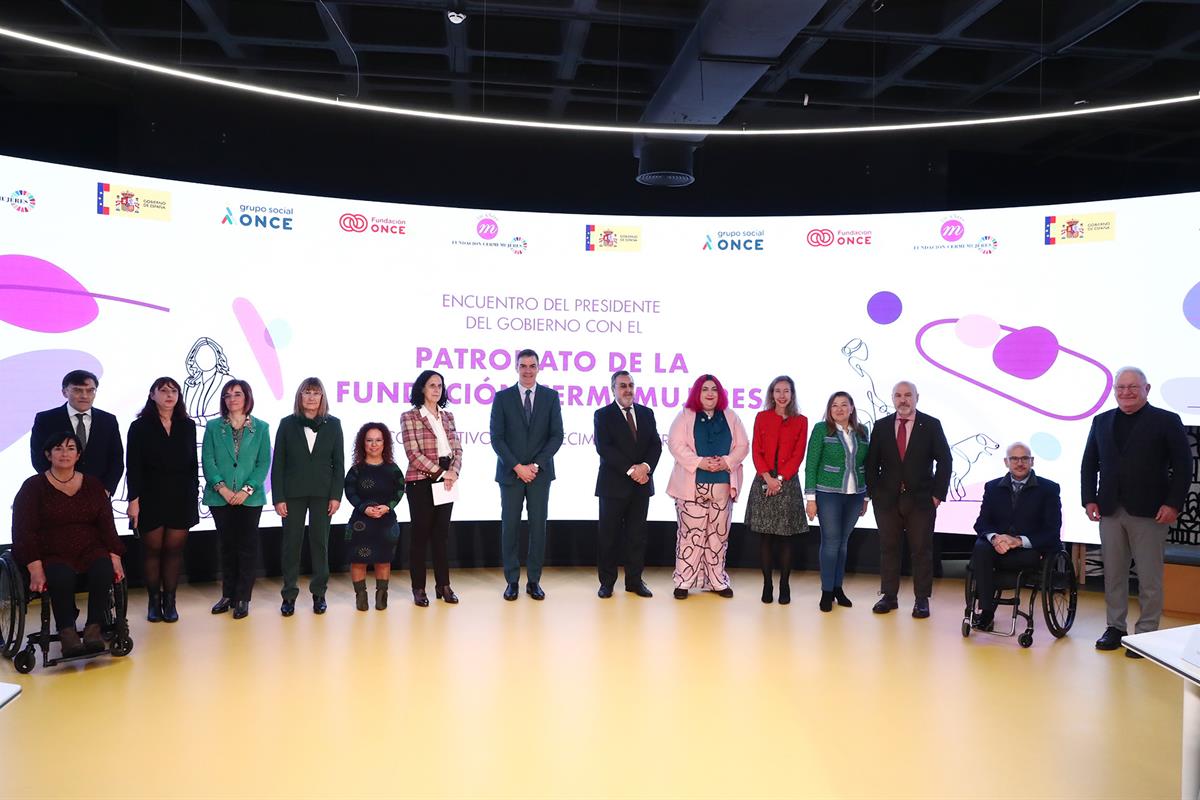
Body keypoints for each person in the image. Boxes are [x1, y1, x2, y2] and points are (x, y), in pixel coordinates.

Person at [1081, 366, 1190, 655]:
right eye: (1120, 388)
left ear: (1147, 389)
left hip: (1151, 511)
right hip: (1109, 509)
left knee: (1149, 577)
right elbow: (1089, 463)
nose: (1126, 392)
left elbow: (1183, 466)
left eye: (1132, 387)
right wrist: (1088, 499)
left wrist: (1174, 503)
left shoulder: (1167, 420)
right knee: (1113, 575)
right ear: (1114, 390)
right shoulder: (1101, 421)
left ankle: (1146, 636)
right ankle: (1115, 628)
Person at [12, 432, 126, 656]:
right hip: (51, 549)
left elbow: (106, 523)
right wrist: (34, 567)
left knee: (103, 568)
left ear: (78, 454)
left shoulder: (92, 485)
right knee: (60, 575)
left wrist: (116, 555)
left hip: (89, 547)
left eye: (70, 448)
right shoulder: (34, 487)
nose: (65, 453)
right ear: (48, 454)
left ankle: (94, 628)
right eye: (58, 448)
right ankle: (67, 632)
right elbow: (23, 530)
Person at [864, 380, 951, 618]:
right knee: (888, 548)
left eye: (908, 395)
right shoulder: (881, 426)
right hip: (887, 500)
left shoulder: (931, 425)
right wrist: (873, 493)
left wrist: (937, 495)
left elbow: (945, 460)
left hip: (922, 500)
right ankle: (889, 596)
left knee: (921, 550)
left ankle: (921, 599)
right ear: (892, 398)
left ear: (916, 397)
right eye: (898, 395)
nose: (903, 400)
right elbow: (871, 464)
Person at [667, 374, 750, 599]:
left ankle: (716, 581)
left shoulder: (731, 416)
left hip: (722, 485)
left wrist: (727, 461)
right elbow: (675, 443)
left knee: (718, 535)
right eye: (705, 389)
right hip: (691, 486)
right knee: (690, 534)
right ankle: (684, 582)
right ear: (697, 393)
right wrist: (700, 462)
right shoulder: (685, 415)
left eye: (714, 389)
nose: (710, 393)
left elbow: (743, 445)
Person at [489, 349, 564, 601]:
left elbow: (557, 435)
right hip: (511, 475)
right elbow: (497, 438)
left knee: (538, 529)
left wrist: (535, 466)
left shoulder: (551, 397)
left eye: (532, 366)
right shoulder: (502, 398)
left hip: (539, 475)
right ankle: (512, 581)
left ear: (538, 368)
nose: (528, 370)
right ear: (516, 368)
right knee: (509, 528)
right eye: (523, 366)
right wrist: (518, 467)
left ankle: (534, 581)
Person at [126, 376, 199, 623]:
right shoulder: (139, 426)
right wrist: (133, 499)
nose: (170, 395)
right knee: (152, 551)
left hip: (181, 495)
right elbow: (132, 466)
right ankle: (153, 601)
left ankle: (170, 601)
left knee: (174, 551)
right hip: (150, 495)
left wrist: (194, 492)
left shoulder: (187, 425)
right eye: (164, 390)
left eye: (174, 391)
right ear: (152, 395)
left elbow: (192, 464)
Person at [969, 442, 1062, 631]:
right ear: (1006, 462)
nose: (1019, 463)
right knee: (981, 547)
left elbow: (1052, 531)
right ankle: (986, 612)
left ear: (1032, 461)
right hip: (997, 549)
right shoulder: (993, 487)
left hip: (1028, 551)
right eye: (1014, 459)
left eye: (1024, 458)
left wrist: (1018, 541)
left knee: (981, 561)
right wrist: (996, 539)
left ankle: (986, 604)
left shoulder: (1049, 489)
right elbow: (981, 523)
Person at [272, 378, 344, 616]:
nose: (311, 397)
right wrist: (278, 497)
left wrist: (336, 495)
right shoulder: (286, 424)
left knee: (320, 544)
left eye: (316, 393)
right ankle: (289, 595)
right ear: (299, 396)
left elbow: (339, 464)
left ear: (322, 397)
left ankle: (319, 593)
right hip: (292, 494)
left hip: (323, 494)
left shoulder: (334, 425)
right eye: (307, 392)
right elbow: (278, 463)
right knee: (291, 545)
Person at [202, 379, 271, 620]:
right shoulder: (213, 427)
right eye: (228, 395)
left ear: (247, 397)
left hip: (250, 499)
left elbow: (264, 463)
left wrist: (246, 490)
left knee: (247, 547)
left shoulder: (261, 428)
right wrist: (222, 488)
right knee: (227, 546)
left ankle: (243, 597)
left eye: (237, 394)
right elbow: (208, 461)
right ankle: (228, 594)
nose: (232, 399)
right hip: (219, 497)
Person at [593, 370, 662, 598]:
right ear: (613, 389)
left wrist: (646, 468)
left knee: (637, 536)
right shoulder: (602, 415)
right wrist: (633, 470)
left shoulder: (646, 413)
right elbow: (604, 448)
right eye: (622, 385)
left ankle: (634, 581)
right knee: (608, 537)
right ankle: (607, 583)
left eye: (631, 385)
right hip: (613, 486)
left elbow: (655, 446)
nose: (628, 390)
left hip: (641, 485)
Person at [400, 371, 463, 606]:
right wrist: (441, 473)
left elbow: (457, 450)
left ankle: (443, 585)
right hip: (421, 480)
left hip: (447, 478)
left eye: (440, 385)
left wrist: (454, 471)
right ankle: (419, 588)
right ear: (422, 389)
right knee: (420, 536)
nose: (436, 389)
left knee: (441, 536)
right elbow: (412, 454)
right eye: (431, 385)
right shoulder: (410, 416)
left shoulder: (448, 417)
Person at [744, 375, 809, 605]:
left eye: (786, 391)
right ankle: (767, 584)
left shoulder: (801, 420)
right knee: (766, 538)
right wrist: (768, 478)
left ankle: (784, 584)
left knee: (786, 538)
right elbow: (756, 450)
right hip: (763, 478)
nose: (782, 395)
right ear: (772, 394)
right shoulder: (762, 417)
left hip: (787, 482)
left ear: (792, 394)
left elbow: (798, 454)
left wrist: (779, 480)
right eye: (777, 391)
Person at [804, 391, 870, 612]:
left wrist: (866, 496)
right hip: (828, 493)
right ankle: (826, 592)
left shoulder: (862, 432)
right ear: (829, 410)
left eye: (844, 405)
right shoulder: (821, 429)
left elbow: (867, 465)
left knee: (843, 544)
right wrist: (811, 498)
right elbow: (811, 464)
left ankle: (838, 588)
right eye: (834, 406)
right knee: (831, 543)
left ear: (852, 408)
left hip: (855, 496)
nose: (839, 409)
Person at [31, 369, 124, 495]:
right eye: (77, 390)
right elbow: (38, 457)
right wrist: (57, 486)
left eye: (90, 391)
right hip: (57, 494)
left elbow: (116, 459)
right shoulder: (46, 419)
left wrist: (106, 489)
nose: (84, 396)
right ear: (65, 392)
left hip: (98, 494)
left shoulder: (108, 420)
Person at [345, 423, 405, 611]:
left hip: (386, 523)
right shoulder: (356, 469)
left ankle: (381, 597)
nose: (374, 444)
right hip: (360, 523)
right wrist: (364, 508)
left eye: (378, 440)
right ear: (362, 443)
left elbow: (399, 490)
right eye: (369, 440)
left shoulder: (393, 469)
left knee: (383, 560)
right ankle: (361, 597)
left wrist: (388, 507)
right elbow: (350, 492)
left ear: (385, 443)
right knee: (358, 560)